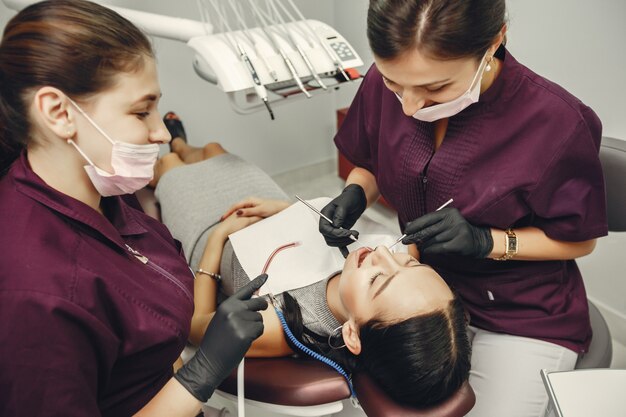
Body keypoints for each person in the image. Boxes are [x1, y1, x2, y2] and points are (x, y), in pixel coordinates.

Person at [318, 1, 608, 416]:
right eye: (393, 84)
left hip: (519, 314)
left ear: (494, 43)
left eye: (435, 88)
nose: (409, 107)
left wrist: (485, 241)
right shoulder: (390, 81)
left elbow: (578, 242)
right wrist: (356, 192)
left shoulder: (557, 123)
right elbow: (370, 160)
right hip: (417, 300)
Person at [0, 1, 268, 416]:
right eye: (141, 111)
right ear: (58, 113)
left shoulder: (103, 190)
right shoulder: (35, 296)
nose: (159, 131)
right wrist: (201, 374)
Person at [148, 119, 471, 408]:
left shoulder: (283, 323)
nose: (382, 255)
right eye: (409, 266)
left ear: (352, 335)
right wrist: (285, 209)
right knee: (215, 152)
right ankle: (180, 141)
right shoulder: (387, 266)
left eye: (377, 280)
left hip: (210, 229)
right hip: (266, 205)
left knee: (168, 167)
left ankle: (175, 146)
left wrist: (218, 238)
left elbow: (197, 329)